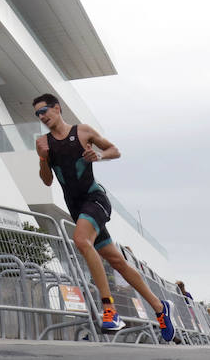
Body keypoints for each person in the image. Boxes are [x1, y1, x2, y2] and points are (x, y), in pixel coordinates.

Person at [32, 93, 174, 342]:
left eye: (44, 110)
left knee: (81, 240)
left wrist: (99, 156)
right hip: (77, 208)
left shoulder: (83, 131)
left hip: (95, 199)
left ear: (57, 108)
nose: (42, 117)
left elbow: (114, 150)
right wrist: (43, 158)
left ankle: (109, 310)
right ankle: (160, 307)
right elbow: (46, 180)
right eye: (37, 114)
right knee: (117, 261)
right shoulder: (43, 142)